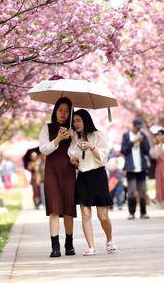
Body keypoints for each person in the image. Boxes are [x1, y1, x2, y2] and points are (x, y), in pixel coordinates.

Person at [68, 109, 117, 256]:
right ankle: (91, 246)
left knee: (103, 216)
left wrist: (91, 146)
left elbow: (103, 158)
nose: (76, 124)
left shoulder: (98, 135)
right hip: (83, 177)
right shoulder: (75, 137)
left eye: (78, 120)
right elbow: (74, 156)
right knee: (85, 215)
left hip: (98, 176)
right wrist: (73, 144)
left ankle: (109, 240)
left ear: (86, 120)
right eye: (74, 121)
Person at [38, 97, 76, 258]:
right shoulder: (47, 128)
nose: (63, 114)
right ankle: (55, 246)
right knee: (54, 209)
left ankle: (69, 243)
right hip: (52, 173)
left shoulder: (74, 129)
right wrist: (58, 139)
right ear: (55, 111)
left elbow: (77, 153)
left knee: (68, 209)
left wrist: (73, 139)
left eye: (67, 111)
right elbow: (44, 150)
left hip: (68, 173)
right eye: (60, 110)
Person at [121, 118, 151, 219]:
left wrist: (142, 142)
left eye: (139, 128)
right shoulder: (126, 136)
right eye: (136, 127)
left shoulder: (143, 136)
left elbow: (147, 151)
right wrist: (133, 142)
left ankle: (143, 213)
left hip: (142, 168)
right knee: (132, 192)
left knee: (142, 192)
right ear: (132, 126)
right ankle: (132, 213)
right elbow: (124, 151)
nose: (138, 129)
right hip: (130, 168)